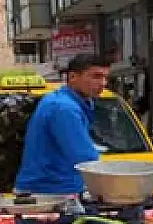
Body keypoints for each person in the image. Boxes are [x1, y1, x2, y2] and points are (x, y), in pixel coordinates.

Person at [14, 52, 110, 194]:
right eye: (96, 76)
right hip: (49, 193)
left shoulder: (67, 101)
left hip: (52, 188)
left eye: (105, 77)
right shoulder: (64, 108)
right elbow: (85, 158)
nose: (103, 83)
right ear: (72, 77)